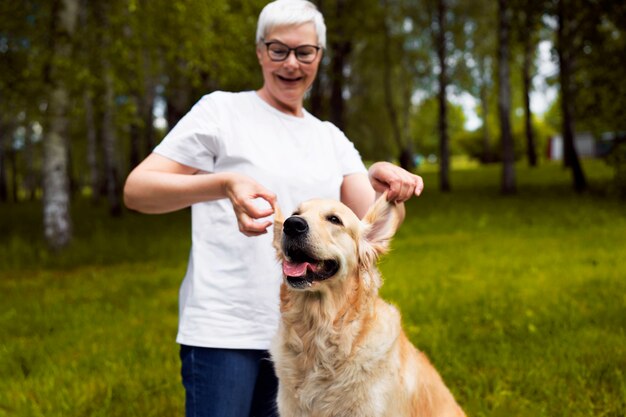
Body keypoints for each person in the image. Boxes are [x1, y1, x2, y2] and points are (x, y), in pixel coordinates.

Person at [123, 0, 423, 416]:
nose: (291, 64)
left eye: (305, 52)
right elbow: (137, 190)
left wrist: (387, 182)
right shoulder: (221, 112)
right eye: (278, 50)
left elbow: (370, 224)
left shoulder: (330, 138)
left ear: (319, 56)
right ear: (261, 51)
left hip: (306, 342)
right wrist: (223, 183)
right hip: (225, 330)